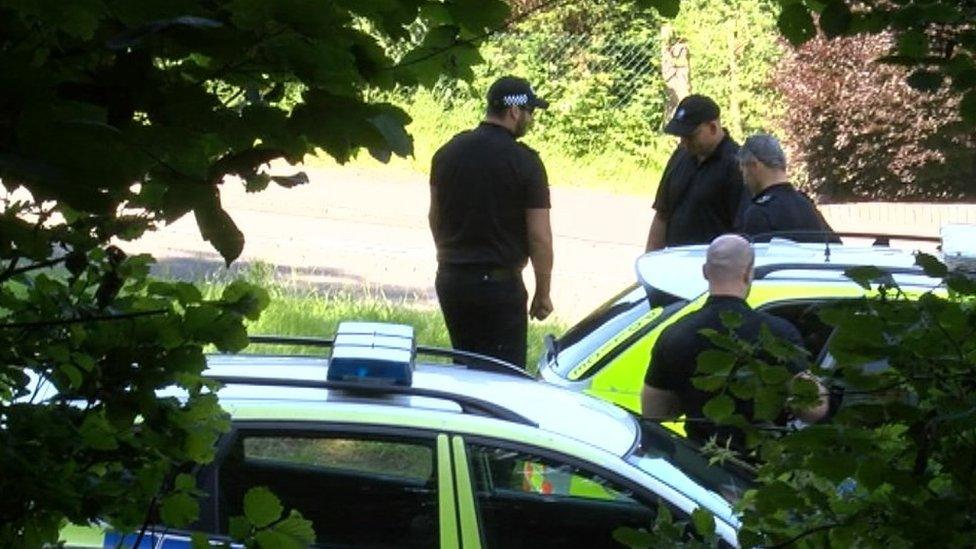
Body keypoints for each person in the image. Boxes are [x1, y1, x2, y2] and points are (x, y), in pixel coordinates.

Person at [641, 234, 828, 450]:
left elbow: (654, 413)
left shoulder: (675, 334)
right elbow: (814, 409)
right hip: (760, 467)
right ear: (749, 273)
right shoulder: (778, 334)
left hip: (699, 468)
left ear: (705, 272)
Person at [427, 76, 554, 369]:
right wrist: (543, 292)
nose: (531, 119)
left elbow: (434, 216)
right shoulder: (526, 163)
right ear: (514, 111)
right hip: (499, 287)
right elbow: (539, 236)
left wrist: (450, 256)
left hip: (452, 280)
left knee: (466, 366)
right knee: (502, 376)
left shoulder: (447, 153)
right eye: (530, 112)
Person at [646, 95, 748, 251]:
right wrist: (650, 259)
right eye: (681, 136)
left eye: (690, 136)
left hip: (714, 266)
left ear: (712, 127)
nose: (684, 142)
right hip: (674, 259)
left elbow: (742, 231)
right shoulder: (680, 156)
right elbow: (662, 213)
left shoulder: (737, 165)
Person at [736, 133, 838, 243]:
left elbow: (756, 258)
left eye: (743, 170)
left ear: (754, 166)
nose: (744, 179)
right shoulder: (807, 205)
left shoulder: (759, 213)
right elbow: (835, 249)